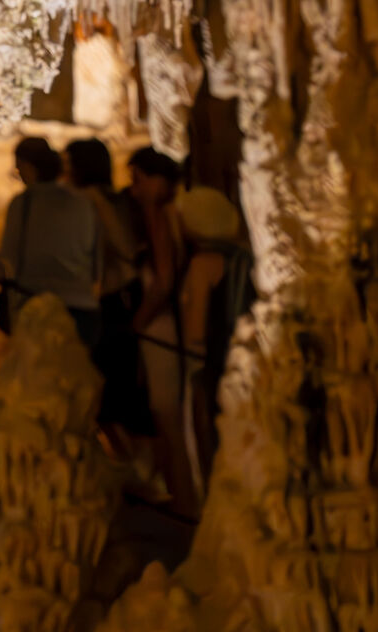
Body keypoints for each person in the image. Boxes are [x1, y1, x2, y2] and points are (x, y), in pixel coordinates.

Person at [66, 136, 148, 438]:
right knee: (115, 397)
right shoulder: (107, 197)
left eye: (68, 166)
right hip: (115, 298)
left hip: (118, 299)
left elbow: (124, 246)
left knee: (112, 398)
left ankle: (134, 468)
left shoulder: (94, 199)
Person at [127, 146, 193, 514]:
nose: (134, 190)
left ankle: (184, 501)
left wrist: (139, 321)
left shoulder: (160, 215)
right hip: (164, 325)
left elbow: (164, 279)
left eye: (138, 180)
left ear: (158, 181)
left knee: (167, 413)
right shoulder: (169, 213)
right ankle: (179, 497)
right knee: (165, 414)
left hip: (161, 326)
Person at [174, 183, 249, 498]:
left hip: (210, 361)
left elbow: (195, 324)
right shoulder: (242, 256)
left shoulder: (202, 263)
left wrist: (190, 358)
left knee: (208, 434)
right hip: (239, 358)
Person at [0, 136, 102, 348]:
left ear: (28, 167)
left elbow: (8, 264)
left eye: (17, 171)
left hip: (38, 309)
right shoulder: (84, 204)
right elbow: (97, 266)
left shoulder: (22, 204)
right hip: (83, 310)